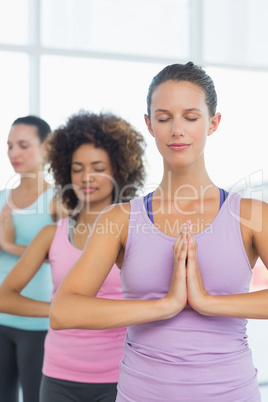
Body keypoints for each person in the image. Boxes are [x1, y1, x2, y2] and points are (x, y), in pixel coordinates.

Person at [49, 62, 268, 402]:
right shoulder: (120, 218)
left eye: (190, 117)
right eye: (164, 118)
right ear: (150, 125)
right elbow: (64, 311)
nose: (177, 130)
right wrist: (165, 305)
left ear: (213, 123)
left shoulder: (251, 215)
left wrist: (207, 302)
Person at [0, 111, 146, 402]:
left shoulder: (137, 235)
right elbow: (6, 297)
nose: (86, 177)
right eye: (77, 168)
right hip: (58, 376)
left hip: (121, 374)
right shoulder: (51, 235)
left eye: (97, 167)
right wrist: (60, 309)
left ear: (119, 170)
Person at [0, 115, 58, 402]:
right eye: (9, 146)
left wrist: (9, 245)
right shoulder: (1, 198)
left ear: (46, 148)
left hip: (36, 322)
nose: (13, 153)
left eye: (23, 145)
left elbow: (61, 256)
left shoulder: (58, 201)